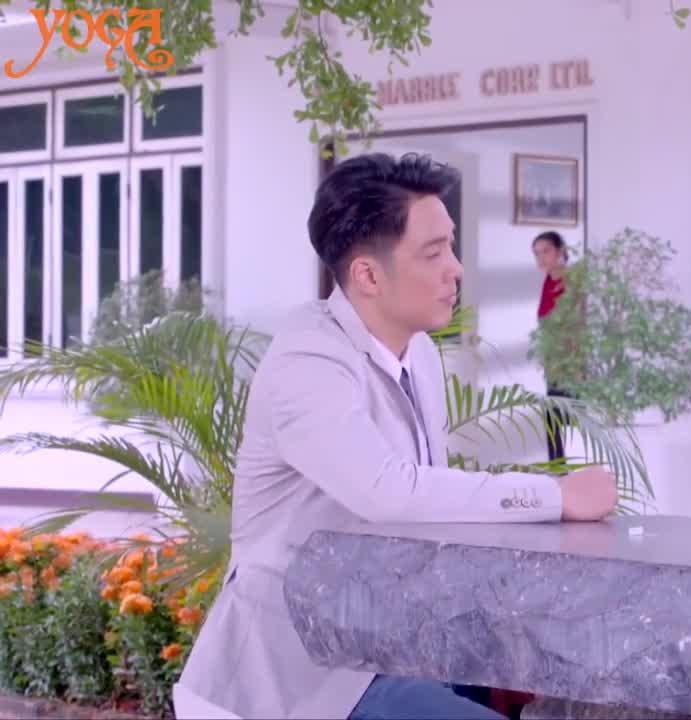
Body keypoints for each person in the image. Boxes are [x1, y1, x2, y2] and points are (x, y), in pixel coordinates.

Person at [174, 152, 619, 720]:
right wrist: (555, 495)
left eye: (450, 247)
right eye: (433, 253)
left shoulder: (420, 353)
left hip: (396, 642)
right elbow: (389, 492)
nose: (456, 269)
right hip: (310, 674)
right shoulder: (308, 360)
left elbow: (429, 511)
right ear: (368, 275)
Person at [532, 230, 572, 462]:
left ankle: (565, 470)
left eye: (546, 251)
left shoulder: (571, 281)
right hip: (553, 363)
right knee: (553, 419)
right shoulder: (549, 280)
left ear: (560, 251)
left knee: (564, 421)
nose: (541, 258)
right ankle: (558, 470)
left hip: (571, 363)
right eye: (537, 253)